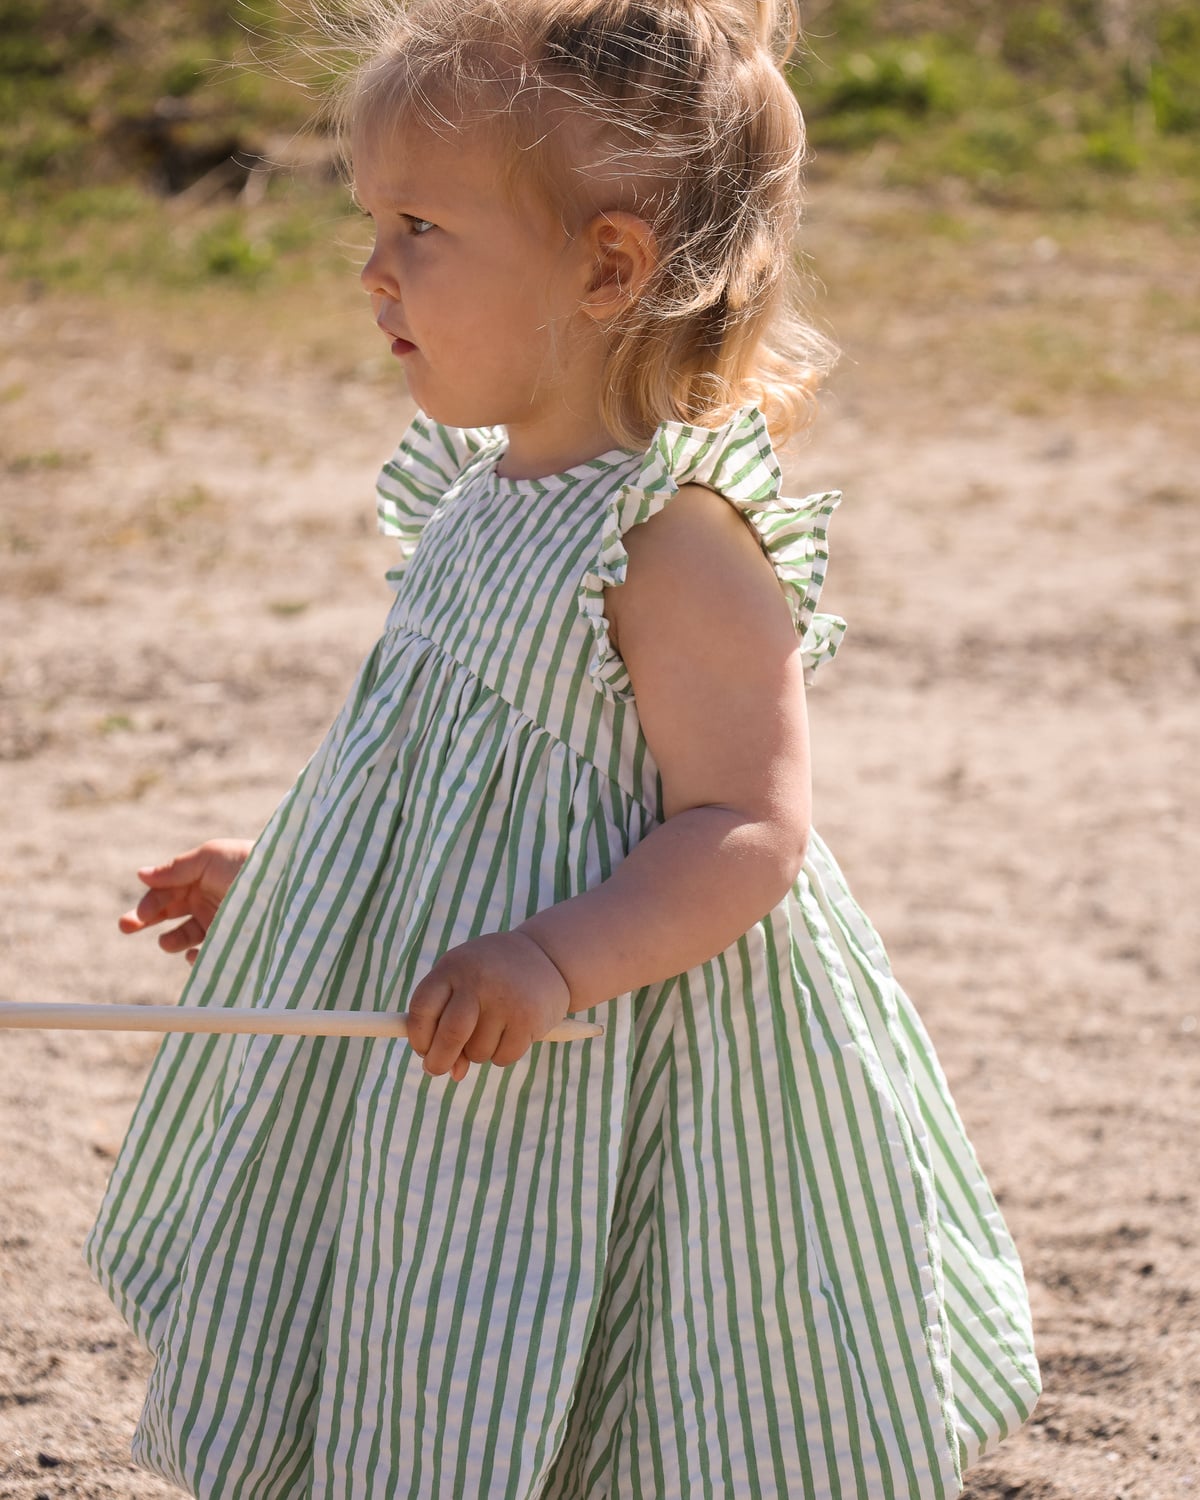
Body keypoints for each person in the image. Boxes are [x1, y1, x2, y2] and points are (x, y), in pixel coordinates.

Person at [86, 1, 1039, 1495]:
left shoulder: (674, 542)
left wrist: (552, 958)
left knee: (631, 1365)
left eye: (420, 228)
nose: (373, 269)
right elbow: (444, 780)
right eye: (372, 222)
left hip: (619, 1056)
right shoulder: (477, 498)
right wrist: (286, 882)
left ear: (607, 269)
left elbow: (746, 826)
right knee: (432, 1324)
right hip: (463, 1054)